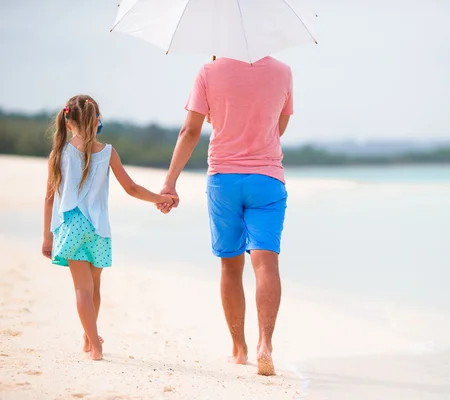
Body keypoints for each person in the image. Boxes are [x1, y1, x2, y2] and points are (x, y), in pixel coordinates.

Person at [158, 56, 293, 376]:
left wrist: (170, 181)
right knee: (266, 261)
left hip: (224, 180)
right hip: (267, 179)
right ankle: (265, 344)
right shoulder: (282, 71)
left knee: (231, 265)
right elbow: (280, 126)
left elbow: (189, 131)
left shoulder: (208, 71)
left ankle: (239, 348)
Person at [41, 95, 175, 361]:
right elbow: (132, 188)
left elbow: (49, 197)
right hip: (99, 228)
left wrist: (47, 236)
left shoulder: (59, 153)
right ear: (97, 120)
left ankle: (95, 344)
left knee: (82, 289)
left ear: (68, 122)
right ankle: (89, 338)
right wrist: (161, 198)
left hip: (71, 224)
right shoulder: (108, 152)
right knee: (95, 286)